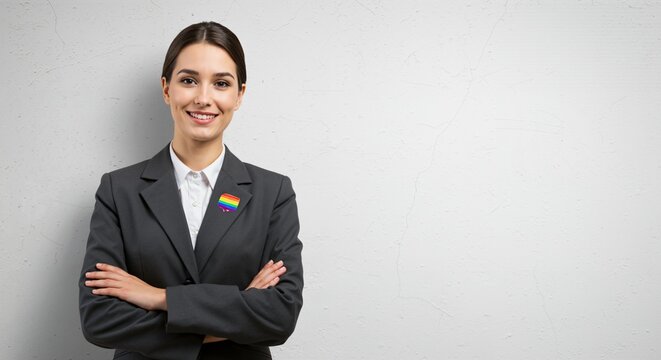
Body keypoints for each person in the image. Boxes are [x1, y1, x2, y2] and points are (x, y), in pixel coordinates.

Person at [78, 21, 304, 360]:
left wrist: (158, 297)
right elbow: (99, 320)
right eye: (188, 80)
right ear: (167, 89)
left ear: (239, 95)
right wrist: (236, 312)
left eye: (221, 83)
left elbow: (279, 316)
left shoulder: (274, 193)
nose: (203, 98)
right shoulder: (117, 190)